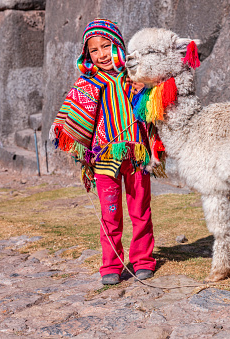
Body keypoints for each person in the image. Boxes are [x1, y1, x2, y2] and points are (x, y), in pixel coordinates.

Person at [49, 19, 165, 285]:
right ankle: (111, 264)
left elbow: (160, 99)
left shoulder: (136, 77)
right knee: (110, 214)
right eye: (94, 50)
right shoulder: (86, 84)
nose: (101, 54)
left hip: (137, 156)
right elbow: (70, 118)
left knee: (140, 211)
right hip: (103, 160)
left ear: (118, 45)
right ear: (86, 54)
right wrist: (75, 141)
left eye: (106, 46)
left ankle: (143, 260)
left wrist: (147, 90)